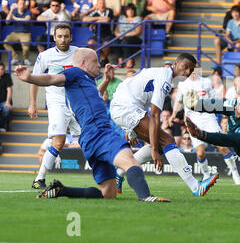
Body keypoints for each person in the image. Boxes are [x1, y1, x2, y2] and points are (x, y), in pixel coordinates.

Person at [16, 48, 170, 202]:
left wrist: (106, 81)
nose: (99, 65)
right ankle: (146, 196)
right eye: (95, 61)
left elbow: (95, 95)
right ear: (83, 63)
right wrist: (30, 77)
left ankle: (61, 190)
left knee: (108, 194)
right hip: (99, 132)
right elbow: (51, 79)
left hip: (89, 139)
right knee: (131, 162)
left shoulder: (85, 82)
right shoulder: (75, 72)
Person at [110, 53, 219, 196]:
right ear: (175, 64)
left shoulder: (163, 76)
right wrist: (154, 149)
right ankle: (195, 186)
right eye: (184, 67)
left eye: (190, 70)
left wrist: (130, 127)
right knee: (167, 140)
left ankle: (119, 173)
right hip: (125, 108)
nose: (186, 72)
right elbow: (155, 115)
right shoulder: (165, 79)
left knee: (163, 143)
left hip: (125, 107)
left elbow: (136, 92)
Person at [28, 24, 81, 190]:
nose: (63, 40)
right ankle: (39, 178)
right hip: (56, 102)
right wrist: (32, 103)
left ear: (71, 37)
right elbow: (33, 79)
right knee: (59, 141)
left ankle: (107, 174)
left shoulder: (79, 53)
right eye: (59, 36)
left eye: (66, 36)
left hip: (77, 102)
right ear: (54, 38)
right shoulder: (45, 56)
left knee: (88, 141)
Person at [171, 66, 240, 185]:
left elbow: (214, 99)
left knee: (221, 146)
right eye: (191, 68)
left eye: (196, 68)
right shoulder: (183, 85)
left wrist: (222, 113)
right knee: (200, 152)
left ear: (199, 69)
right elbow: (179, 101)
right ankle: (206, 175)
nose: (193, 71)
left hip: (208, 118)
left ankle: (235, 173)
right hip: (193, 119)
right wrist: (173, 115)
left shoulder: (206, 82)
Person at [3, 0, 32, 66]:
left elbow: (27, 20)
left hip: (25, 33)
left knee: (25, 44)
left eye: (23, 4)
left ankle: (25, 59)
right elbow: (7, 22)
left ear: (25, 4)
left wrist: (15, 18)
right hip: (15, 33)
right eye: (20, 4)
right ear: (17, 4)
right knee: (5, 43)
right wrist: (11, 10)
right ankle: (15, 58)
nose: (21, 5)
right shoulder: (14, 11)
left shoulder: (28, 11)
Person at [0, 62, 12, 132]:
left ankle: (1, 126)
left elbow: (9, 91)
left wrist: (7, 102)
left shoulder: (7, 76)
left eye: (2, 69)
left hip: (4, 102)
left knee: (7, 109)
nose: (0, 71)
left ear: (4, 70)